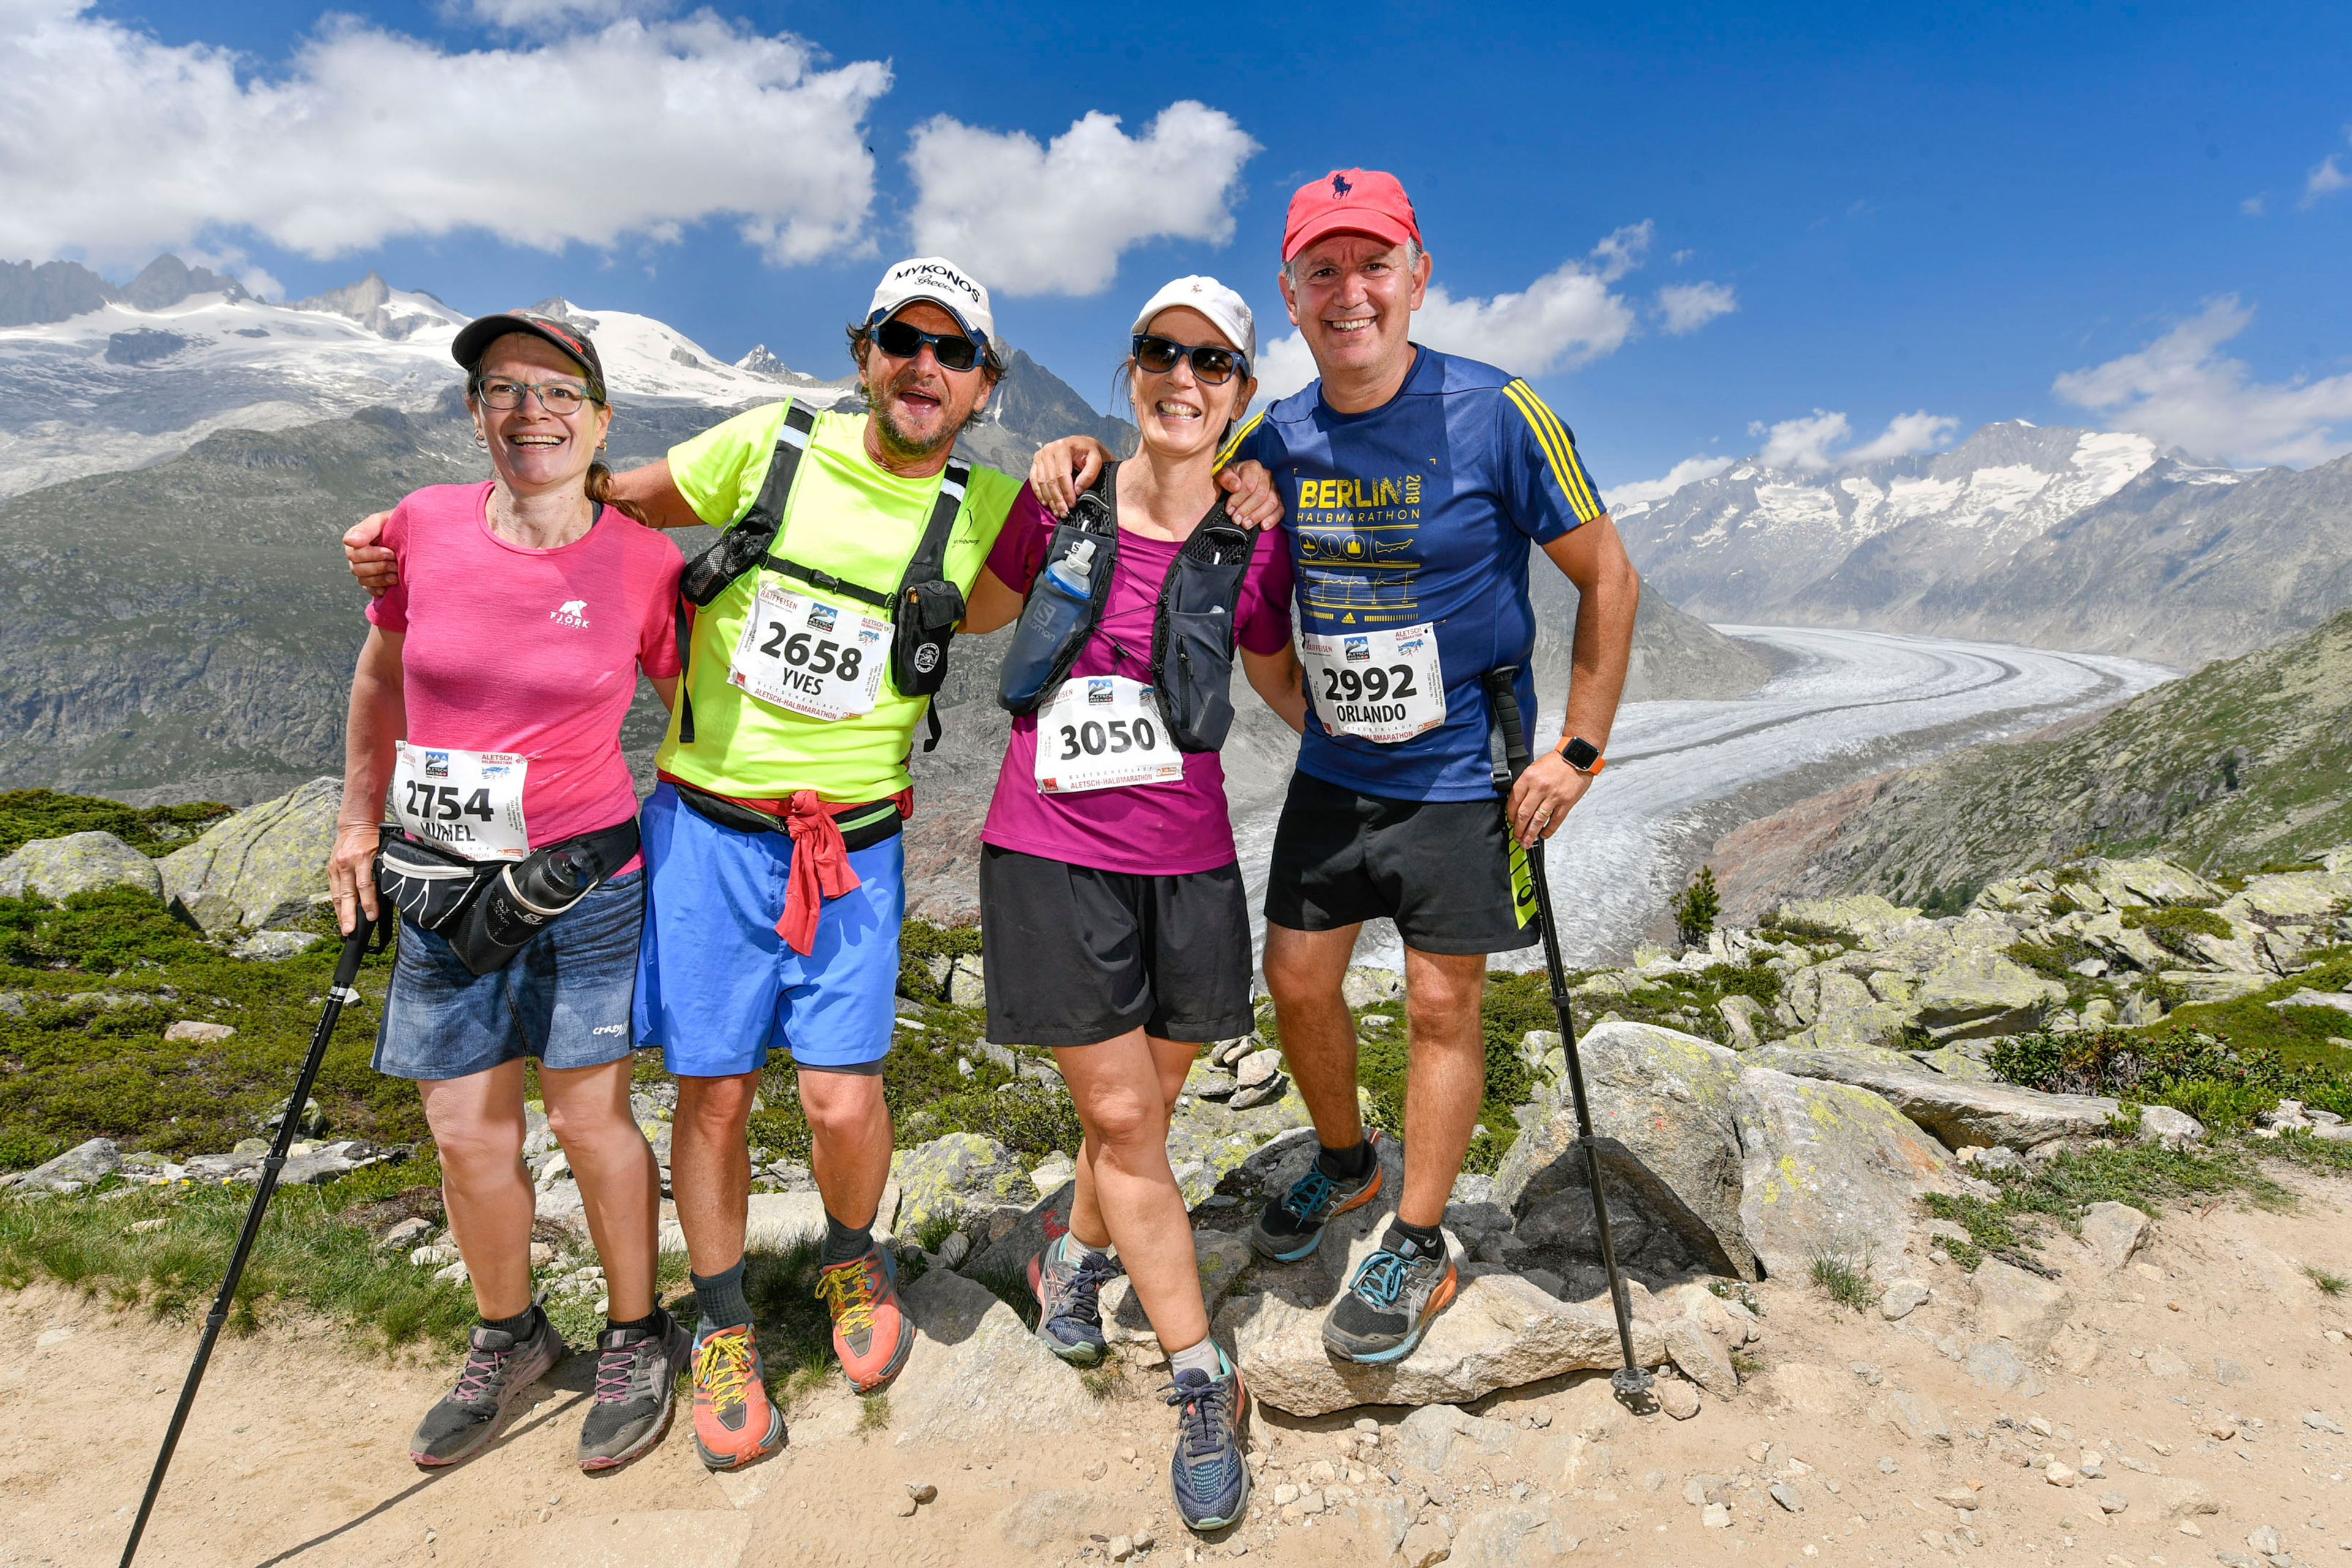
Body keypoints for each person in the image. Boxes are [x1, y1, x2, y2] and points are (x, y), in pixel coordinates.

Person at [346, 260, 1286, 1472]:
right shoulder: (768, 442)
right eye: (904, 338)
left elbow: (1110, 518)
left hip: (858, 836)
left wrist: (1214, 463)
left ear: (984, 386)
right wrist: (418, 535)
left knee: (843, 1096)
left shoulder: (997, 497)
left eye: (954, 353)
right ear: (865, 353)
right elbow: (592, 500)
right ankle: (725, 1317)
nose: (925, 367)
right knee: (716, 1093)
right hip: (708, 826)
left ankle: (853, 1252)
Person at [1032, 170, 1641, 1367]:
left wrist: (1578, 746)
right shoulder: (1273, 436)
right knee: (1298, 981)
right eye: (1323, 269)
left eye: (1375, 265)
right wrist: (1079, 459)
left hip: (1468, 763)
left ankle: (1422, 1238)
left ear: (1419, 275)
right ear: (1292, 297)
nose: (1350, 291)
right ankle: (1350, 1161)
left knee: (1437, 1002)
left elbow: (1607, 573)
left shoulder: (1499, 411)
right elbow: (1168, 482)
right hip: (1338, 764)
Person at [959, 277, 1300, 1532]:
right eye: (1162, 353)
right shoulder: (1063, 494)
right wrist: (1032, 496)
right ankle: (1204, 1378)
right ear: (1134, 366)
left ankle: (1077, 1257)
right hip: (1049, 847)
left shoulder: (1256, 534)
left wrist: (1394, 771)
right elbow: (991, 610)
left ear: (1240, 396)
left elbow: (1274, 675)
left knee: (1143, 1107)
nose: (1183, 378)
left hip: (1188, 859)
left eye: (1213, 364)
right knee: (1123, 1113)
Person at [328, 309, 688, 1472]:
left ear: (601, 418)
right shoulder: (422, 528)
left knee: (590, 1119)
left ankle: (638, 1334)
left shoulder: (645, 560)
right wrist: (354, 819)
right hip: (438, 878)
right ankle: (510, 1333)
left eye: (556, 390)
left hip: (583, 879)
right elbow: (382, 672)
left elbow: (700, 702)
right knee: (465, 1133)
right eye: (501, 389)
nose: (530, 411)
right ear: (475, 412)